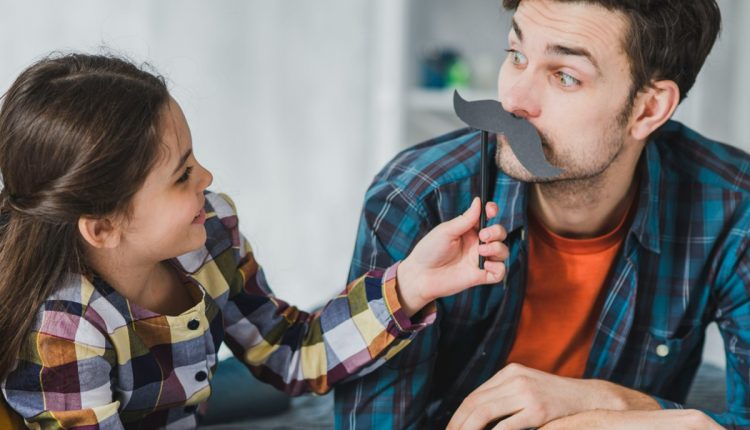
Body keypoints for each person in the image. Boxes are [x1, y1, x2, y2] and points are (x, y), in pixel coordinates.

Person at [0, 53, 509, 429]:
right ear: (104, 228)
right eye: (182, 175)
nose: (207, 175)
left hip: (204, 399)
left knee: (289, 403)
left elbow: (291, 352)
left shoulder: (209, 233)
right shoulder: (65, 331)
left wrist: (413, 284)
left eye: (193, 157)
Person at [334, 0, 746, 428]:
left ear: (649, 109)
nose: (512, 101)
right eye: (516, 55)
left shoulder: (733, 207)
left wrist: (609, 405)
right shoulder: (417, 196)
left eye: (565, 76)